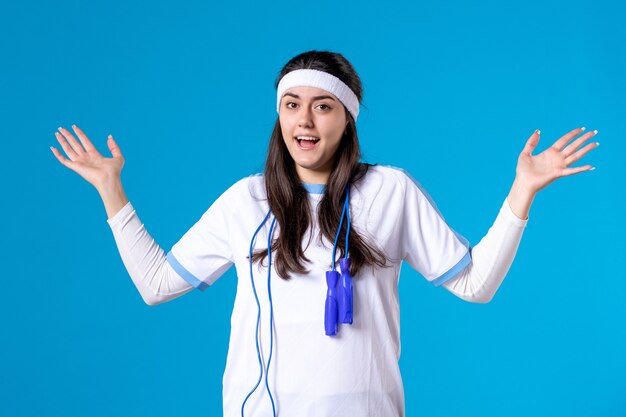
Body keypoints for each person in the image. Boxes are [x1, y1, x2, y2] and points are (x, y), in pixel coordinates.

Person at [50, 50, 599, 417]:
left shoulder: (389, 191)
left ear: (348, 119)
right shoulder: (246, 200)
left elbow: (475, 284)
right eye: (292, 106)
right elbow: (155, 283)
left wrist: (521, 192)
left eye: (323, 107)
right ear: (278, 116)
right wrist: (109, 189)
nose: (305, 122)